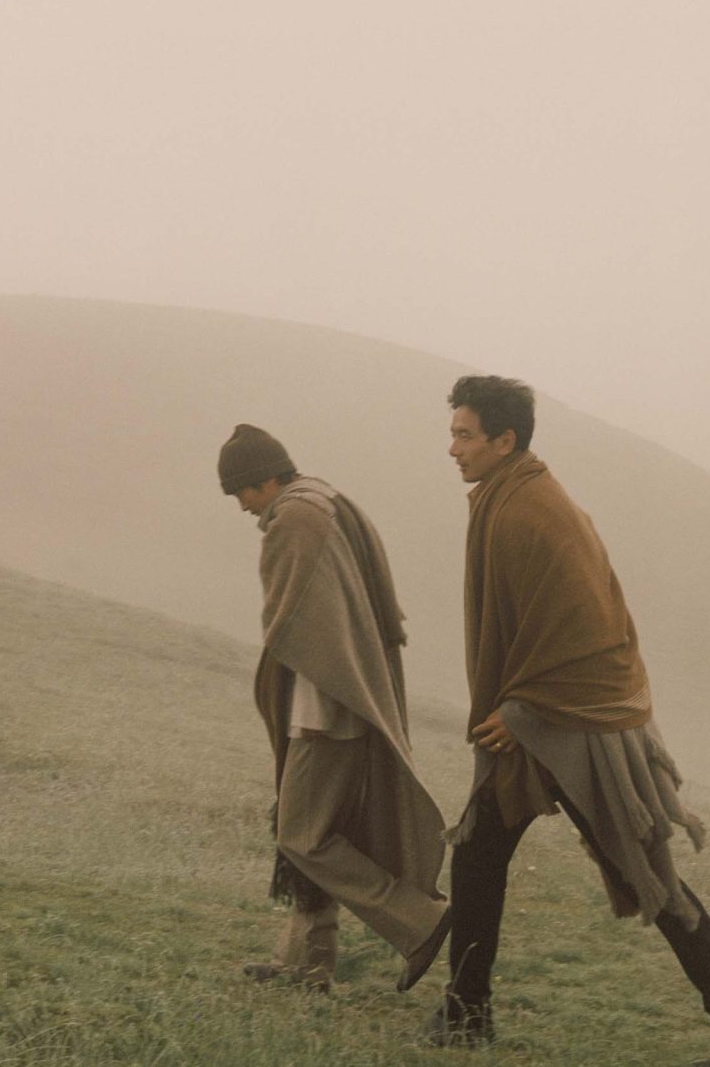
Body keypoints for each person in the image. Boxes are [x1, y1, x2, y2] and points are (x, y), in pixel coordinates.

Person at [423, 378, 710, 1065]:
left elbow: (589, 628)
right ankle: (467, 1012)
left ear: (505, 441)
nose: (453, 449)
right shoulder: (509, 498)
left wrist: (523, 711)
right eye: (454, 433)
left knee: (642, 868)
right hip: (544, 727)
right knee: (477, 854)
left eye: (465, 435)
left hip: (571, 731)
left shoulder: (532, 512)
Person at [218, 423, 453, 994]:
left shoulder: (297, 518)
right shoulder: (325, 500)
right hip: (340, 697)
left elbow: (301, 624)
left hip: (323, 707)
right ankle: (306, 963)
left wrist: (307, 693)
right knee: (317, 831)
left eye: (243, 492)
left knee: (301, 836)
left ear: (268, 478)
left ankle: (419, 918)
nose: (243, 507)